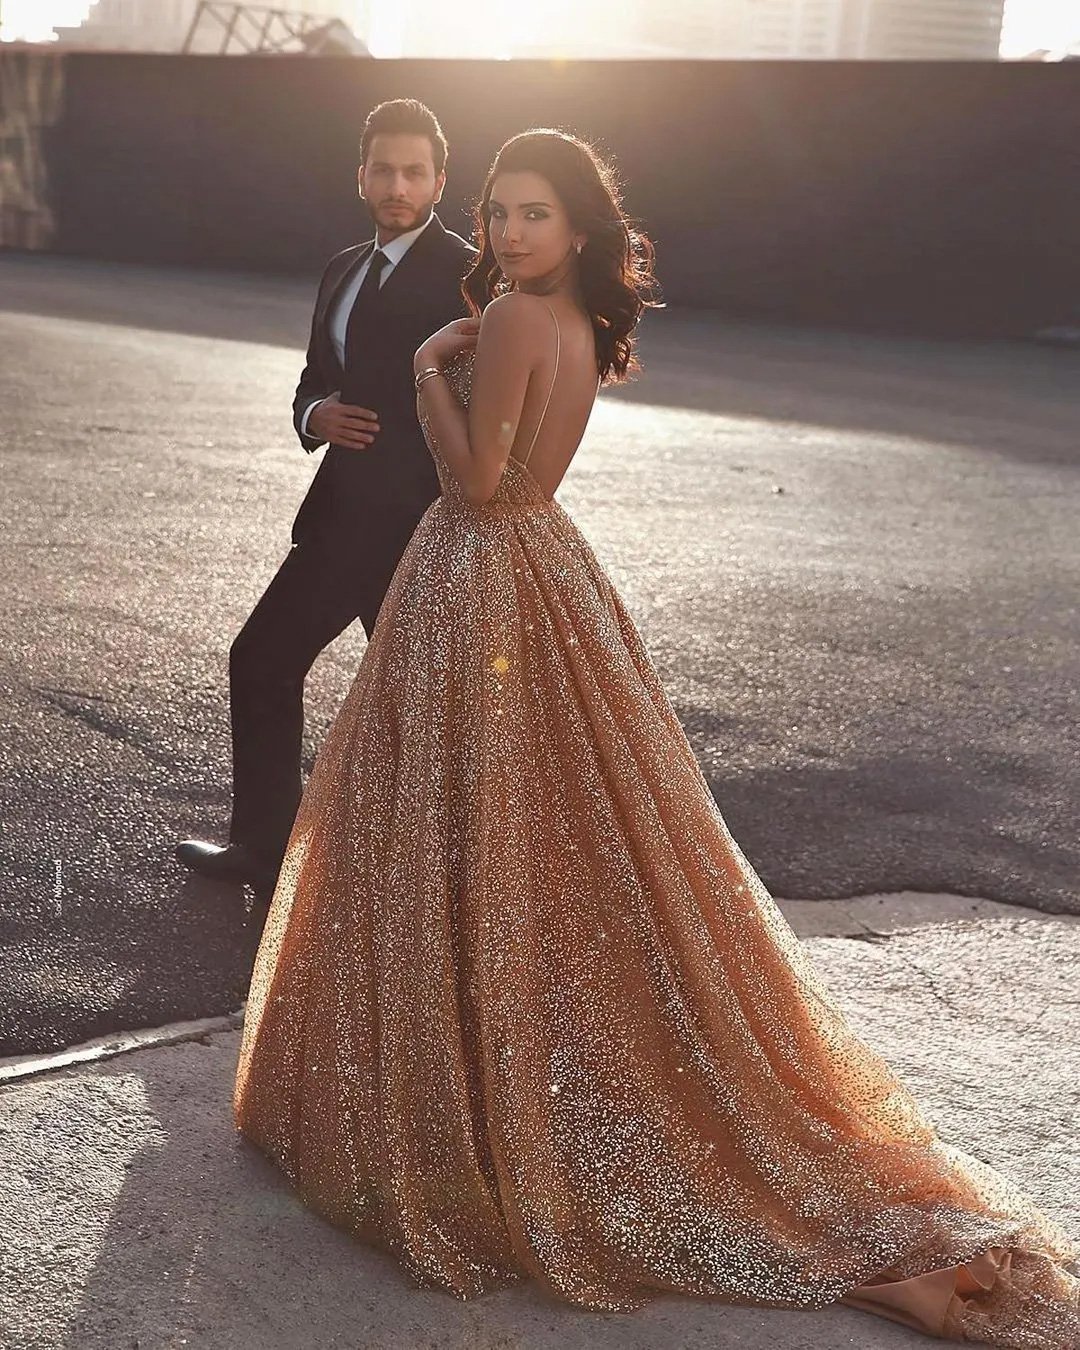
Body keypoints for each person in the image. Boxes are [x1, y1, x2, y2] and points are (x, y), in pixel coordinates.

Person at [232, 130, 1079, 1346]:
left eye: (533, 214)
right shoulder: (572, 320)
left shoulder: (516, 319)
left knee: (459, 829)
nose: (512, 233)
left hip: (481, 573)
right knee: (543, 841)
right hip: (546, 574)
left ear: (577, 229)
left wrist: (426, 367)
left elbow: (473, 488)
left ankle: (483, 1101)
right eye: (501, 212)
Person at [176, 99, 476, 895]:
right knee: (263, 660)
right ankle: (264, 855)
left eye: (415, 171)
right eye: (383, 169)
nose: (398, 185)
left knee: (420, 710)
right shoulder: (343, 268)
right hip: (340, 518)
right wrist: (315, 414)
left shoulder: (471, 275)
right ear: (361, 175)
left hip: (419, 527)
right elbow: (317, 377)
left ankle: (435, 891)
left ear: (440, 179)